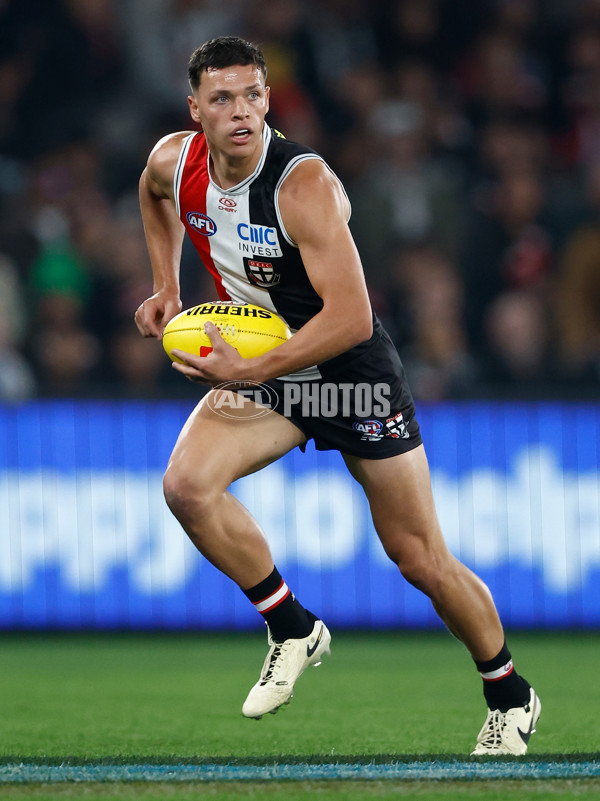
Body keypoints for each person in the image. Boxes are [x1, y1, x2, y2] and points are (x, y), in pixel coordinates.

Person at [134, 36, 540, 755]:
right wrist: (166, 285)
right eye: (221, 98)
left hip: (351, 376)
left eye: (252, 94)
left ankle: (510, 692)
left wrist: (251, 373)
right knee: (186, 486)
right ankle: (292, 625)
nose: (240, 111)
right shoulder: (176, 160)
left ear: (268, 98)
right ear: (194, 109)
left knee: (419, 557)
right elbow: (152, 191)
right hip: (270, 368)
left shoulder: (302, 185)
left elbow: (351, 316)